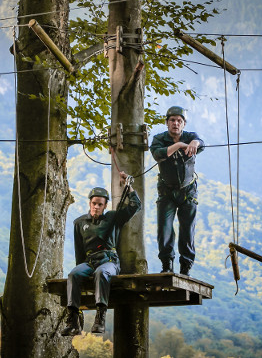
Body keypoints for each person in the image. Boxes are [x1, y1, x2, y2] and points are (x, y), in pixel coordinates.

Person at [60, 172, 141, 336]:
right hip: (89, 261)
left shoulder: (112, 218)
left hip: (108, 261)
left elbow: (135, 206)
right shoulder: (80, 223)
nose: (96, 207)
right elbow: (79, 250)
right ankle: (73, 320)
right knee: (74, 274)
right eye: (94, 203)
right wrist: (81, 270)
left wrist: (128, 186)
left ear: (105, 206)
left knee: (102, 272)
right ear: (90, 203)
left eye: (100, 204)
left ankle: (100, 317)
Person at [150, 106, 204, 276]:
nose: (175, 123)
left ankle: (186, 266)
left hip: (188, 190)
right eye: (172, 120)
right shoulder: (159, 139)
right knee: (164, 229)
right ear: (167, 123)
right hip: (167, 191)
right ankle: (167, 264)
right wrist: (179, 145)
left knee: (188, 230)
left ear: (183, 123)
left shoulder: (190, 137)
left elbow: (201, 142)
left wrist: (195, 142)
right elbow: (157, 154)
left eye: (179, 121)